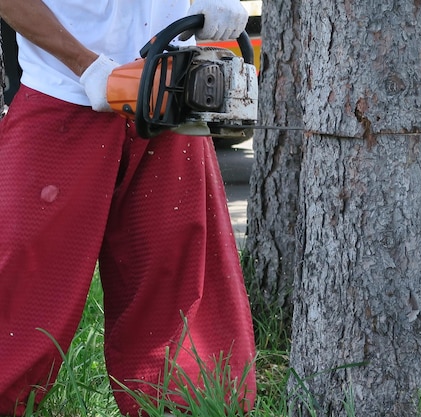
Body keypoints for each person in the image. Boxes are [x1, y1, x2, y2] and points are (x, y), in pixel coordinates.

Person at [0, 1, 256, 415]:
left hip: (169, 92)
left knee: (178, 277)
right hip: (63, 95)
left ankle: (184, 407)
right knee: (21, 279)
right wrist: (87, 67)